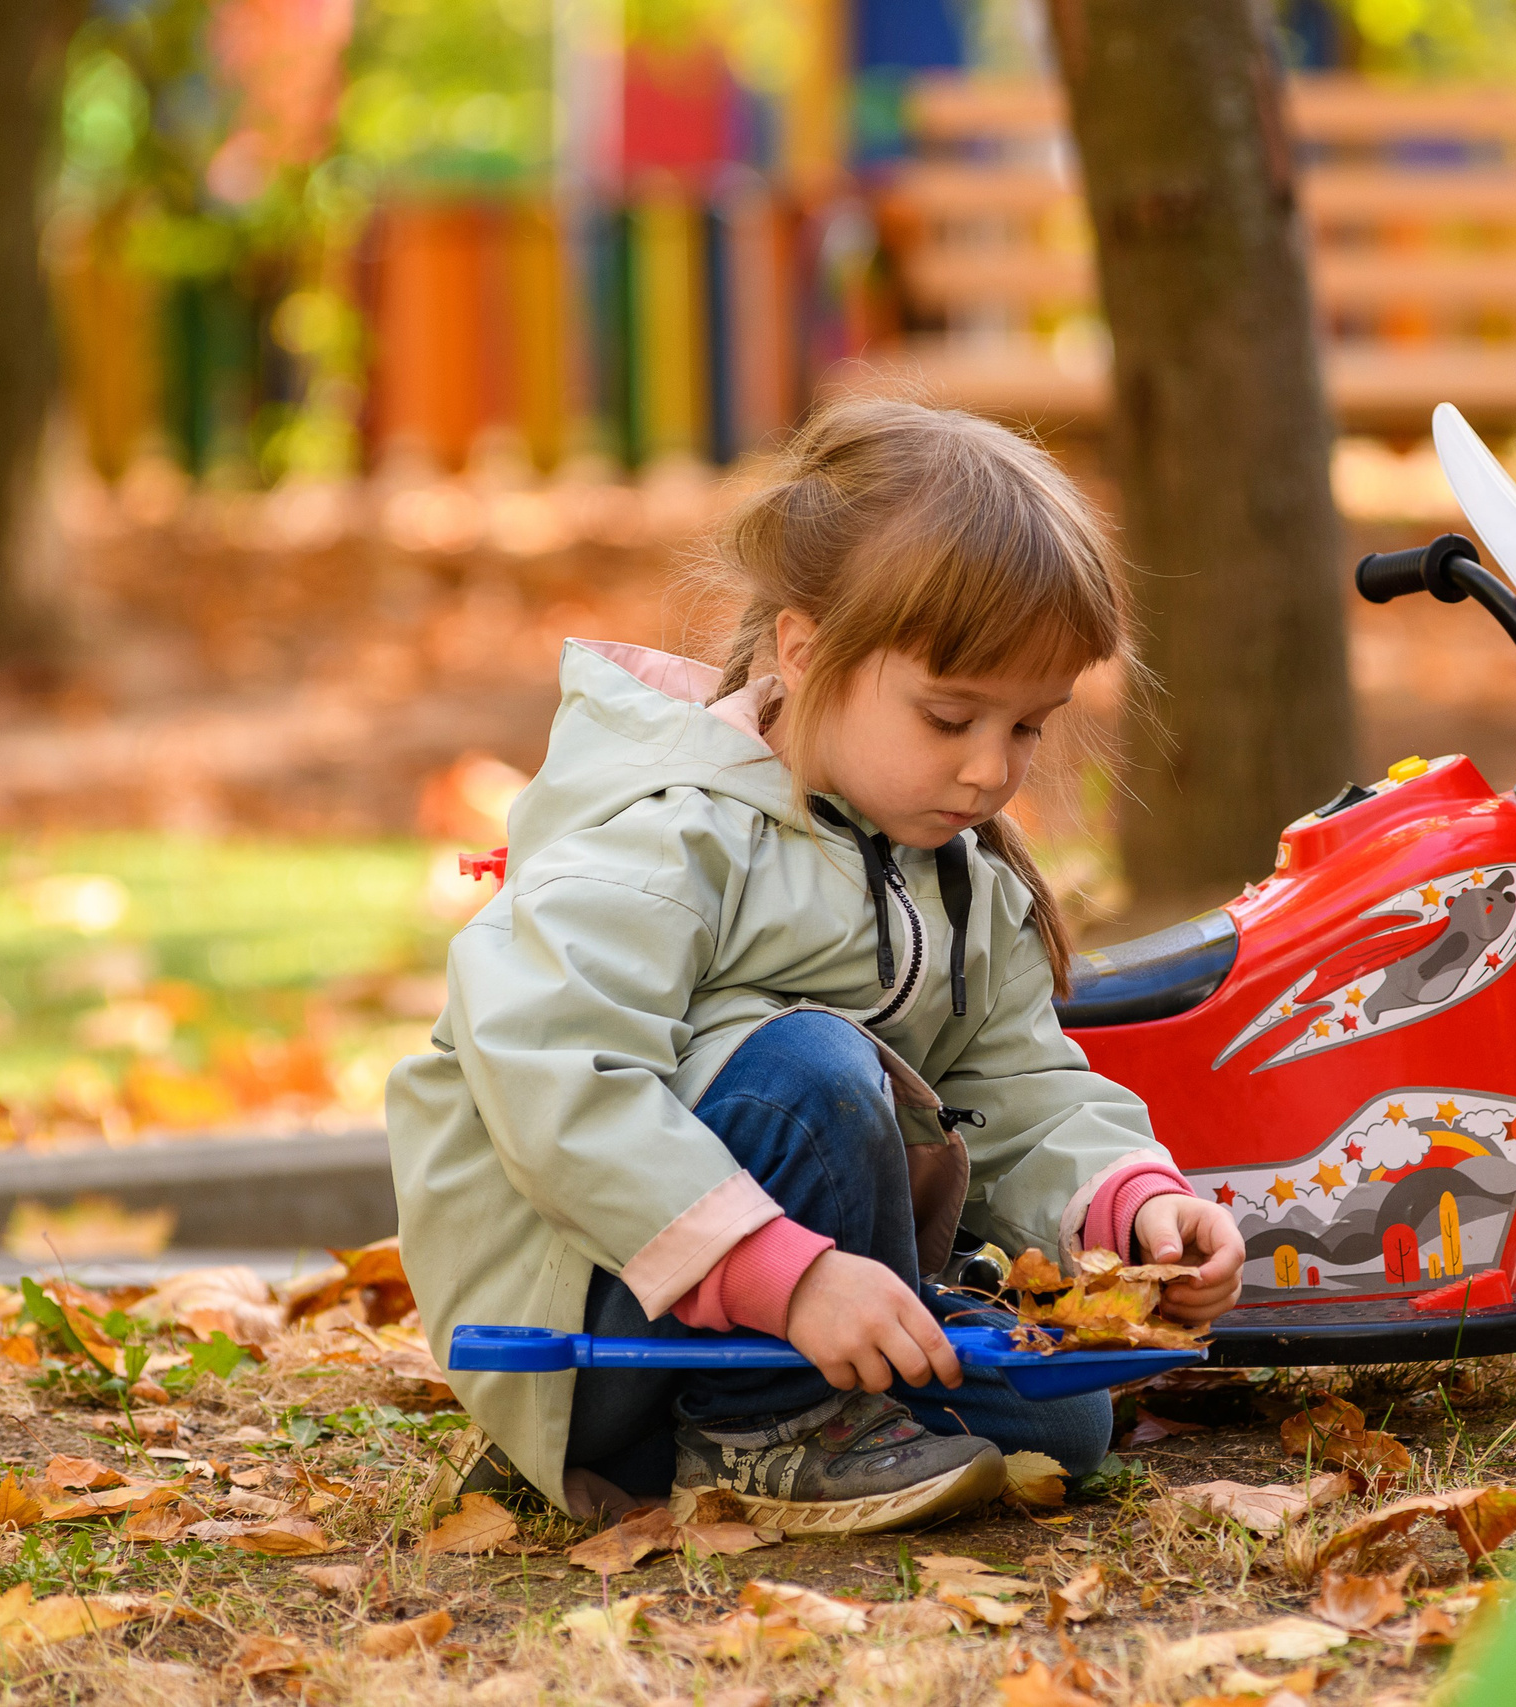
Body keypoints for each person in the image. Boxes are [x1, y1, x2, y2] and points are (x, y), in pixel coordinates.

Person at [389, 399, 1245, 1536]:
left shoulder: (957, 874)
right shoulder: (671, 834)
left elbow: (1022, 1091)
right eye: (950, 716)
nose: (992, 769)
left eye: (1027, 727)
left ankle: (751, 1425)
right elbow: (554, 1071)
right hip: (596, 1327)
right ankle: (766, 1430)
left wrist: (1128, 1205)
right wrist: (788, 1278)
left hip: (794, 1305)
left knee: (1067, 1431)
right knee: (812, 1067)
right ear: (804, 650)